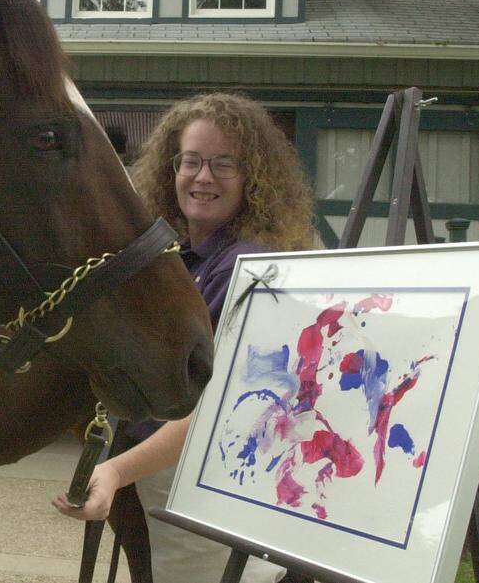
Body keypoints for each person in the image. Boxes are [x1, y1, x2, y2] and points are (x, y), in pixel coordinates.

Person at [53, 92, 316, 583]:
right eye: (191, 161)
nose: (202, 177)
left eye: (223, 165)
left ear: (253, 177)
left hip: (209, 493)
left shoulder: (253, 270)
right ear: (171, 168)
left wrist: (113, 471)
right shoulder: (172, 260)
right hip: (159, 487)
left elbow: (220, 412)